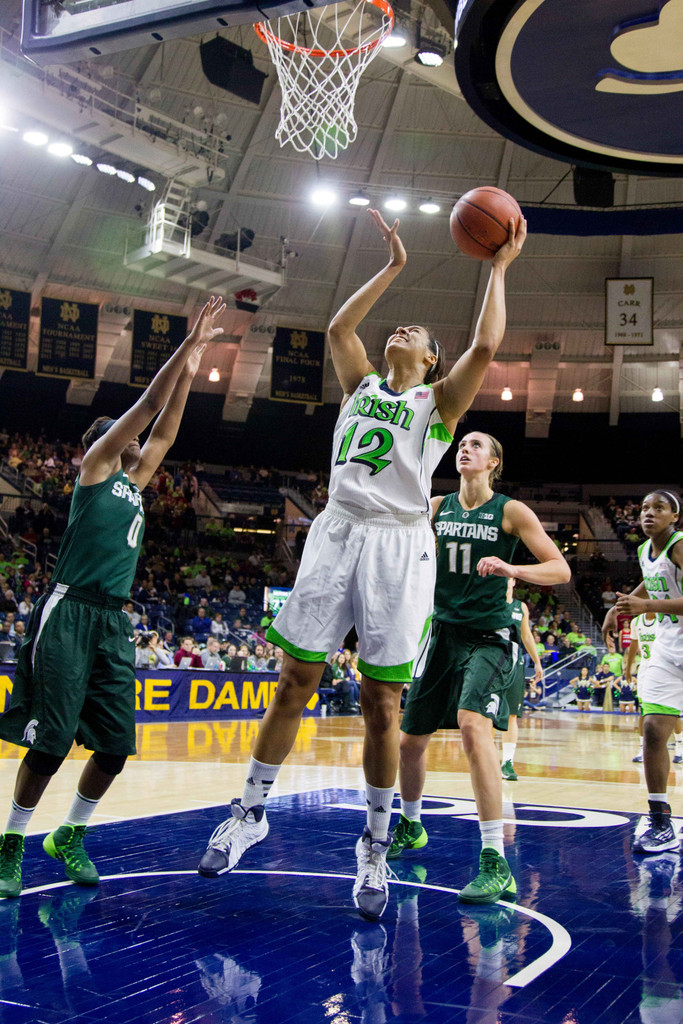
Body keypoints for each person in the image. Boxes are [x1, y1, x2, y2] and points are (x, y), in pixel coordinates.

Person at [197, 207, 528, 921]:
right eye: (397, 329)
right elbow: (337, 331)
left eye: (415, 333)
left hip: (397, 546)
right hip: (337, 530)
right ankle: (250, 812)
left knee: (382, 703)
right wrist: (392, 268)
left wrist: (496, 269)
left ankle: (375, 845)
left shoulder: (436, 405)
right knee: (295, 681)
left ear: (431, 361)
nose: (400, 331)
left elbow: (487, 341)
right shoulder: (360, 387)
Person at [0, 296, 226, 898]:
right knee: (50, 742)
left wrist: (197, 359)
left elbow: (169, 425)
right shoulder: (98, 466)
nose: (140, 436)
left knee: (116, 748)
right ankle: (11, 844)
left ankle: (70, 834)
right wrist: (186, 346)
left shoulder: (137, 480)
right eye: (126, 431)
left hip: (112, 621)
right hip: (69, 609)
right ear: (106, 439)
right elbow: (151, 407)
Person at [387, 431, 570, 904]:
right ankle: (410, 824)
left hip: (489, 637)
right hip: (441, 633)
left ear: (494, 462)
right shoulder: (435, 506)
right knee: (409, 742)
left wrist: (515, 570)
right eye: (462, 444)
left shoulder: (510, 511)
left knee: (473, 727)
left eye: (476, 445)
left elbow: (560, 569)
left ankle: (495, 861)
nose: (464, 449)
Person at [603, 490, 683, 854]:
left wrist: (645, 605)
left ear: (674, 516)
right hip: (667, 648)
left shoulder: (679, 545)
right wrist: (619, 607)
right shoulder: (643, 551)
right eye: (645, 508)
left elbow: (651, 596)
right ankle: (661, 819)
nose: (649, 513)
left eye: (659, 508)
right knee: (653, 729)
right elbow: (651, 580)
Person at [500, 578, 543, 781]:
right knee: (482, 715)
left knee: (511, 715)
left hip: (514, 664)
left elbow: (526, 636)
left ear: (513, 581)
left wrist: (537, 662)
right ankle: (486, 758)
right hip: (489, 663)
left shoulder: (521, 607)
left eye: (506, 578)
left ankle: (507, 762)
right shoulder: (488, 602)